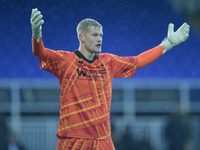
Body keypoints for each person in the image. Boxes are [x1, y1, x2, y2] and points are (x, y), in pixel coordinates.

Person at [30, 8, 190, 150]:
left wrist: (167, 44)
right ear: (81, 37)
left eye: (101, 35)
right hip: (72, 140)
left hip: (102, 141)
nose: (100, 39)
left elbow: (138, 61)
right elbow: (40, 53)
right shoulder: (65, 61)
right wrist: (37, 35)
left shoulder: (108, 62)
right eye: (95, 35)